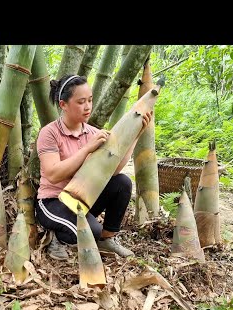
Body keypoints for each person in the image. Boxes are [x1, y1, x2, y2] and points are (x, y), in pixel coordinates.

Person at [35, 74, 152, 260]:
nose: (88, 106)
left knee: (122, 182)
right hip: (53, 201)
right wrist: (88, 148)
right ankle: (56, 237)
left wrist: (135, 136)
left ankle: (107, 240)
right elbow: (53, 174)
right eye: (81, 102)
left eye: (90, 100)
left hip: (82, 198)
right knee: (91, 231)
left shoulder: (93, 133)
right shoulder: (49, 133)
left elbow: (113, 170)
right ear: (63, 104)